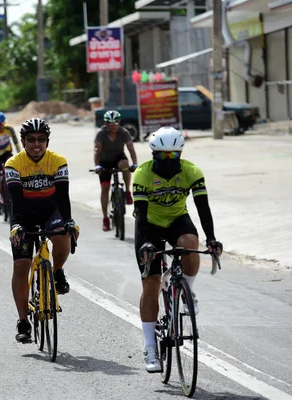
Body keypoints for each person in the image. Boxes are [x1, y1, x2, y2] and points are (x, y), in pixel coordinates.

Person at [132, 126, 223, 373]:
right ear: (154, 154)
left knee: (191, 245)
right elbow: (139, 215)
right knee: (150, 284)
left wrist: (212, 238)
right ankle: (150, 346)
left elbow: (203, 208)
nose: (168, 160)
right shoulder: (142, 174)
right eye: (163, 156)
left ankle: (187, 293)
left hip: (176, 220)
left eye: (173, 155)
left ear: (180, 153)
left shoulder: (192, 171)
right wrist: (145, 243)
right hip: (149, 225)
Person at [5, 118, 80, 343]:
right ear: (23, 141)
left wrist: (68, 220)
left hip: (51, 212)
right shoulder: (13, 163)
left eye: (41, 140)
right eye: (31, 140)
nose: (36, 144)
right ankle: (23, 321)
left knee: (64, 233)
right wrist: (17, 224)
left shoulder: (57, 161)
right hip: (24, 216)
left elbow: (62, 196)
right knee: (21, 266)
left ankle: (57, 271)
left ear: (47, 141)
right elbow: (15, 200)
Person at [93, 110, 138, 231]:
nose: (113, 126)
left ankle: (127, 191)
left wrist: (134, 163)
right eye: (110, 123)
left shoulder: (124, 132)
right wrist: (97, 166)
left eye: (115, 123)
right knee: (105, 188)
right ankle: (105, 218)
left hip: (118, 158)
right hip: (104, 161)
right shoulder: (101, 134)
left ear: (119, 123)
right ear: (105, 123)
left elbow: (131, 149)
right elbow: (97, 151)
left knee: (125, 164)